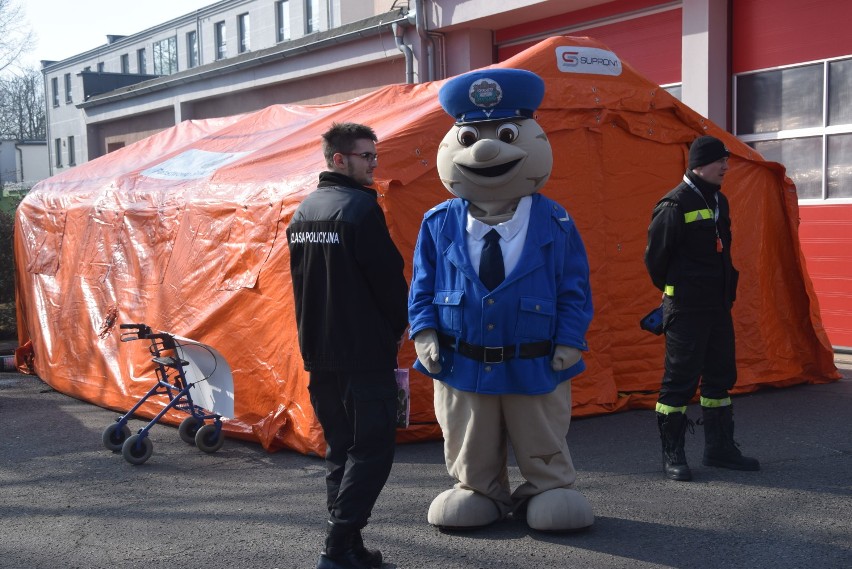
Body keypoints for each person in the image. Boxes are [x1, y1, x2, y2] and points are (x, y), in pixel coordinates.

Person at [287, 122, 409, 569]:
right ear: (339, 159)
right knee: (373, 447)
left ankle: (350, 546)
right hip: (362, 350)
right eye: (367, 157)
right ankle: (338, 547)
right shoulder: (359, 208)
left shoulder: (304, 211)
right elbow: (386, 278)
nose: (374, 164)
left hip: (320, 350)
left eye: (374, 156)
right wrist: (400, 324)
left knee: (341, 446)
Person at [644, 135, 760, 481]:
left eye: (726, 161)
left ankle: (720, 449)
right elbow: (655, 261)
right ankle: (673, 455)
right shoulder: (673, 204)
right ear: (699, 164)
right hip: (686, 310)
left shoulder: (719, 202)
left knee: (720, 378)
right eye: (719, 161)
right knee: (679, 382)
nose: (726, 167)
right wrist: (680, 291)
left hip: (717, 307)